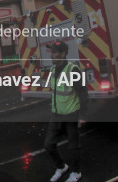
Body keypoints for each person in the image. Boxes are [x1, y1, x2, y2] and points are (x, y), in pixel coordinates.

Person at [44, 40, 88, 182]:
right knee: (49, 145)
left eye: (55, 52)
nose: (53, 55)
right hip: (56, 115)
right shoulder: (52, 70)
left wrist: (82, 115)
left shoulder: (72, 70)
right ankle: (61, 167)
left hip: (71, 115)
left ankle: (76, 172)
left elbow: (83, 93)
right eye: (52, 52)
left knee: (73, 146)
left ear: (63, 54)